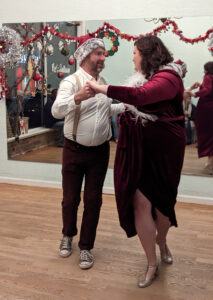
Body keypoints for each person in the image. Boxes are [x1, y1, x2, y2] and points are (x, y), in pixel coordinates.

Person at [86, 35, 186, 288]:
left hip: (164, 153)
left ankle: (161, 241)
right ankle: (151, 262)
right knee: (140, 202)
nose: (132, 57)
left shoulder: (169, 77)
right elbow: (132, 103)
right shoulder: (148, 77)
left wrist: (102, 88)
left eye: (134, 53)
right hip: (139, 151)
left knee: (163, 208)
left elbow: (141, 97)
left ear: (147, 54)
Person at [52, 34, 125, 270]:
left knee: (94, 201)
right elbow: (56, 111)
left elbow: (104, 110)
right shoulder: (71, 82)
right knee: (70, 199)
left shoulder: (103, 81)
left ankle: (86, 247)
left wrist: (127, 105)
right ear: (86, 56)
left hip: (100, 153)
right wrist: (77, 97)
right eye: (99, 54)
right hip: (73, 150)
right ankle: (67, 235)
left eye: (104, 54)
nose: (103, 58)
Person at [188, 61, 213, 175]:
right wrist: (200, 85)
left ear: (208, 69)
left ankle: (210, 163)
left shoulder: (208, 77)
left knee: (205, 134)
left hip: (207, 109)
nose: (203, 71)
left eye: (204, 68)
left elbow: (207, 90)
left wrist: (194, 94)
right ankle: (211, 162)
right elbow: (211, 89)